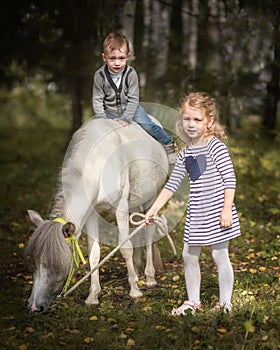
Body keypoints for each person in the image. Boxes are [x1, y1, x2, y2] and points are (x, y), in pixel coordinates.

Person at [145, 92, 241, 315]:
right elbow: (172, 184)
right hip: (197, 212)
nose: (191, 124)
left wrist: (226, 209)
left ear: (209, 121)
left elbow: (230, 179)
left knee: (219, 255)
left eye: (197, 119)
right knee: (189, 255)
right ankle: (193, 301)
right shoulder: (185, 153)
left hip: (217, 210)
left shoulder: (215, 147)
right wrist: (154, 209)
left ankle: (226, 302)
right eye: (187, 118)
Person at [92, 32, 176, 164]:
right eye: (112, 58)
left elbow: (133, 98)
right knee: (96, 133)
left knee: (148, 126)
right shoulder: (99, 76)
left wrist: (126, 118)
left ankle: (168, 143)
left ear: (128, 56)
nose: (117, 63)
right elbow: (97, 98)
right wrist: (101, 117)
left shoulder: (131, 74)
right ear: (104, 57)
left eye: (121, 58)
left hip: (132, 109)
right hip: (109, 112)